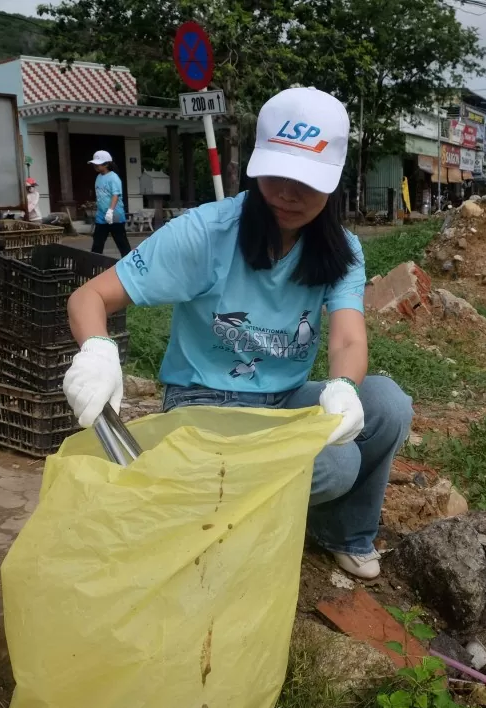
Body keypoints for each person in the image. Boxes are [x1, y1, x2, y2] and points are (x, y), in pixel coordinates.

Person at [62, 87, 413, 581]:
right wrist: (97, 352)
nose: (288, 195)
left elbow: (348, 337)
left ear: (333, 181)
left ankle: (342, 533)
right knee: (335, 467)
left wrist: (343, 388)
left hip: (283, 397)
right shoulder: (208, 233)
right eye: (277, 177)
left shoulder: (341, 249)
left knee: (388, 404)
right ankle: (218, 524)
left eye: (306, 183)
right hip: (205, 404)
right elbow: (90, 296)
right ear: (254, 164)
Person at [88, 150, 131, 257]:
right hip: (101, 215)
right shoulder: (98, 177)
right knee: (97, 242)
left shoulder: (113, 177)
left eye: (98, 164)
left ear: (106, 164)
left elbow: (115, 195)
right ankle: (94, 264)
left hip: (114, 213)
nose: (95, 166)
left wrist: (110, 211)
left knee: (121, 241)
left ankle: (129, 263)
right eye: (94, 164)